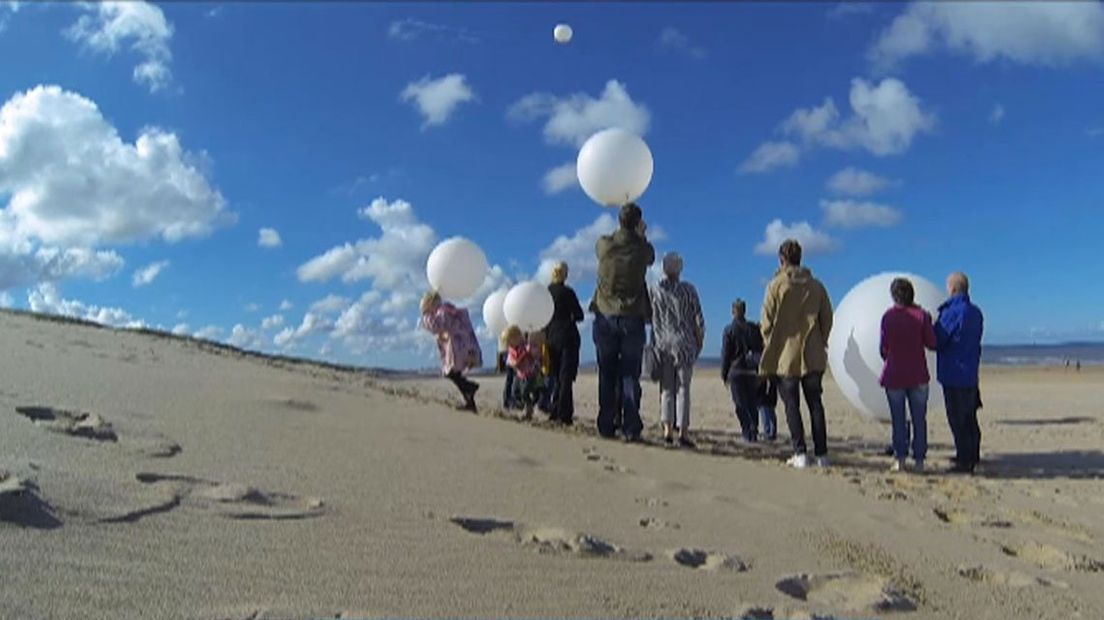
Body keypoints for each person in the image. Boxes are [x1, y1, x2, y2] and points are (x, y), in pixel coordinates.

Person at [760, 239, 833, 469]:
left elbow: (766, 322)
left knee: (792, 404)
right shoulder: (817, 286)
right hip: (813, 353)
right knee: (815, 404)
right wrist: (820, 340)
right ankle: (821, 454)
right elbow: (828, 318)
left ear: (782, 260)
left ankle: (800, 453)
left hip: (785, 354)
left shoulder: (775, 285)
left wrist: (772, 342)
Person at [591, 203, 655, 441]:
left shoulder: (605, 245)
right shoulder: (642, 249)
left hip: (606, 316)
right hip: (632, 317)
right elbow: (650, 256)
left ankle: (606, 424)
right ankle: (630, 425)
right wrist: (641, 235)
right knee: (630, 374)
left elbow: (599, 246)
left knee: (606, 374)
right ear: (638, 223)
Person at [880, 278, 937, 473]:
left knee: (898, 419)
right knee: (919, 418)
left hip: (895, 374)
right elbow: (932, 343)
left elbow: (883, 348)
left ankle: (900, 459)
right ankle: (919, 460)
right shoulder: (921, 316)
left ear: (894, 296)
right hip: (918, 374)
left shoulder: (888, 317)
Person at [649, 252, 705, 447]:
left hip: (663, 343)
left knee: (666, 389)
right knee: (683, 389)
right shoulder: (689, 290)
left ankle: (667, 430)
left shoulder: (655, 290)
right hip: (684, 343)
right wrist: (699, 341)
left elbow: (651, 316)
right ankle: (682, 431)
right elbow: (699, 319)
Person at [935, 272, 984, 474]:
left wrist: (931, 326)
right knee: (969, 417)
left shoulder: (951, 313)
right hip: (970, 372)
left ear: (953, 289)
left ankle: (965, 460)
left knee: (958, 418)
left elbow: (939, 339)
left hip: (954, 372)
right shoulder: (976, 312)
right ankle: (972, 455)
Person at [420, 291, 482, 412]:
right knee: (455, 374)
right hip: (464, 346)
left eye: (427, 309)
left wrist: (426, 318)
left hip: (459, 348)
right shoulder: (449, 310)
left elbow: (437, 326)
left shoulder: (444, 311)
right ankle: (470, 401)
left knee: (450, 373)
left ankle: (470, 387)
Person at [545, 262, 584, 425]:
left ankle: (555, 409)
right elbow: (579, 315)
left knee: (556, 376)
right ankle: (564, 413)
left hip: (551, 337)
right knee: (566, 377)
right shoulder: (568, 293)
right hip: (567, 336)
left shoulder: (545, 293)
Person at [721, 299, 762, 442]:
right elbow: (760, 350)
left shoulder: (729, 330)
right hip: (750, 371)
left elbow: (726, 354)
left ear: (733, 312)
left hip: (737, 371)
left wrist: (724, 374)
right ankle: (753, 431)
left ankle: (747, 432)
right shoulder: (753, 328)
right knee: (751, 403)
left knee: (741, 404)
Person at [504, 325, 544, 419]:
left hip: (529, 374)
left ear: (518, 337)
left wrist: (534, 356)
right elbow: (512, 362)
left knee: (525, 392)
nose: (509, 344)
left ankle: (529, 408)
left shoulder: (527, 346)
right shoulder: (512, 351)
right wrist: (518, 360)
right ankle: (523, 405)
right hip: (519, 374)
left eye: (511, 341)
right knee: (515, 392)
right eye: (508, 343)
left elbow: (537, 356)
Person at [757, 375, 779, 441]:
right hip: (771, 376)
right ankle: (771, 432)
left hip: (763, 377)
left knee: (764, 408)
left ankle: (768, 432)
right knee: (769, 409)